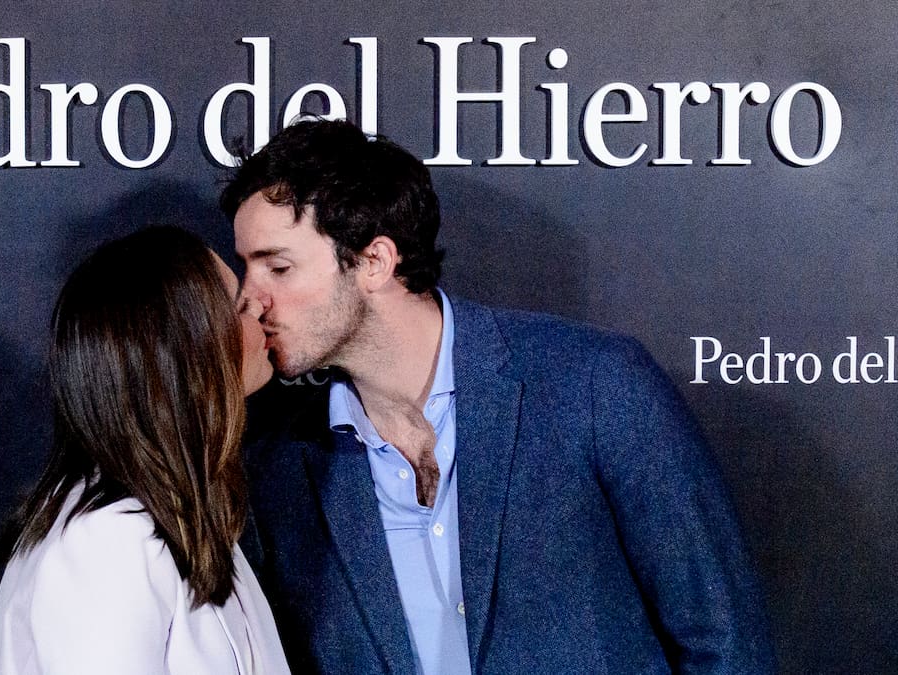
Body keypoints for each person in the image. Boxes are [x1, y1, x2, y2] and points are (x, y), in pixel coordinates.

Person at [222, 120, 775, 674]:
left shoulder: (593, 385)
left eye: (278, 267)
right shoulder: (276, 469)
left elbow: (724, 643)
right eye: (246, 268)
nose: (248, 299)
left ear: (374, 262)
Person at [0, 226, 288, 674]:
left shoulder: (176, 515)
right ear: (186, 354)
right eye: (238, 306)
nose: (259, 306)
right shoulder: (106, 542)